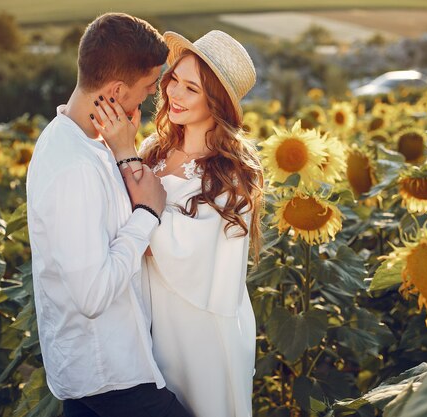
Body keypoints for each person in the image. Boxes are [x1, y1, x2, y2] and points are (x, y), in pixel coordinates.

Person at [26, 13, 191, 417]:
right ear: (116, 89)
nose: (156, 94)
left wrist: (123, 148)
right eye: (150, 84)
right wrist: (147, 215)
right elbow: (93, 295)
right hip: (110, 378)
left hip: (107, 371)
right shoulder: (74, 167)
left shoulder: (79, 141)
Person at [95, 30, 263, 417]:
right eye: (174, 80)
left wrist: (123, 150)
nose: (174, 94)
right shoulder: (154, 150)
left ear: (216, 102)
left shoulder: (231, 175)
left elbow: (163, 244)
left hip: (200, 329)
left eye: (192, 88)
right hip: (150, 316)